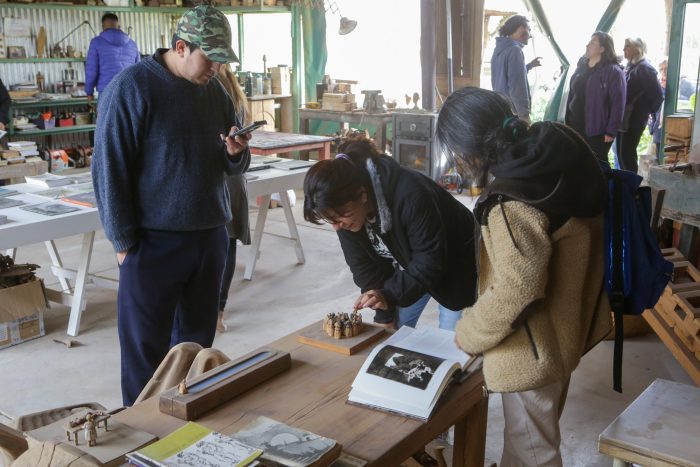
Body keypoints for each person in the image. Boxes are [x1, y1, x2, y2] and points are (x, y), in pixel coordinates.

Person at [437, 87, 612, 466]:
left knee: (533, 452)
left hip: (530, 349)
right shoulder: (560, 151)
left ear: (468, 151)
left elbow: (518, 287)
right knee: (528, 442)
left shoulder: (512, 202)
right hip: (566, 328)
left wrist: (470, 333)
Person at [91, 5, 251, 406]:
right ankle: (143, 435)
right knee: (146, 351)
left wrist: (235, 152)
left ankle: (187, 431)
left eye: (222, 60)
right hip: (153, 242)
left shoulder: (214, 91)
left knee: (197, 348)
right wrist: (124, 241)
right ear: (181, 47)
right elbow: (109, 168)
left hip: (209, 235)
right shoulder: (132, 88)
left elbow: (232, 163)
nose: (216, 67)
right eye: (209, 58)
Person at [303, 134, 477, 330]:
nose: (337, 227)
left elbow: (430, 260)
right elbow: (363, 268)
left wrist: (390, 295)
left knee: (453, 343)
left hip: (456, 262)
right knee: (393, 332)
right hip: (411, 263)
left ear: (362, 195)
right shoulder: (343, 212)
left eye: (341, 217)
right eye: (330, 220)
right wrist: (383, 309)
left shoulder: (410, 195)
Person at [216, 64, 251, 333]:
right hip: (233, 176)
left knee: (224, 246)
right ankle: (218, 311)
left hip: (225, 176)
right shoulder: (235, 91)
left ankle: (216, 311)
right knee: (226, 246)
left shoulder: (218, 90)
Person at [565, 31, 626, 163]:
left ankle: (607, 184)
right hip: (575, 125)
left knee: (598, 164)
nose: (587, 45)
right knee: (577, 163)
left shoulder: (613, 71)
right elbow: (572, 93)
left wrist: (611, 131)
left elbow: (618, 103)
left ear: (602, 49)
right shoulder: (581, 66)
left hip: (597, 130)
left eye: (593, 42)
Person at [617, 38, 664, 174]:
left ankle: (632, 189)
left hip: (634, 120)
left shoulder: (645, 69)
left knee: (626, 155)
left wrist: (643, 111)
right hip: (625, 119)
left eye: (627, 47)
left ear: (638, 48)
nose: (624, 50)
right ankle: (627, 186)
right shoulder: (632, 66)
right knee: (622, 155)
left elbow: (657, 97)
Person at [490, 14, 541, 123]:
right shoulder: (515, 50)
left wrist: (529, 66)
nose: (530, 35)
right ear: (521, 29)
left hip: (501, 107)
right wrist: (524, 115)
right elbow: (517, 86)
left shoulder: (499, 50)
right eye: (529, 30)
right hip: (514, 113)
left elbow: (505, 77)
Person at [85, 13, 140, 102]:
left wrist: (89, 92)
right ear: (118, 26)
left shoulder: (96, 42)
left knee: (106, 116)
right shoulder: (132, 44)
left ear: (103, 26)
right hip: (129, 92)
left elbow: (91, 70)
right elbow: (138, 71)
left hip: (107, 91)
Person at [649, 59, 667, 157]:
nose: (663, 72)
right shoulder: (657, 86)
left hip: (671, 131)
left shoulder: (678, 85)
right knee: (659, 159)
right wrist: (652, 129)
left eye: (666, 69)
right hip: (658, 131)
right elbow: (651, 109)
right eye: (661, 69)